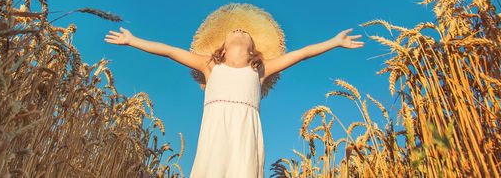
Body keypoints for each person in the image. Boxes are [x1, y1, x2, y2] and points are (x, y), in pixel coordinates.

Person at [104, 10, 364, 178]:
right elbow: (169, 51)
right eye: (233, 32)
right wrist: (132, 40)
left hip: (245, 136)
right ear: (222, 48)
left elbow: (302, 53)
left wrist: (334, 42)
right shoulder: (209, 66)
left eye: (244, 32)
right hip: (215, 134)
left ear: (253, 50)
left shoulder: (260, 69)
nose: (239, 31)